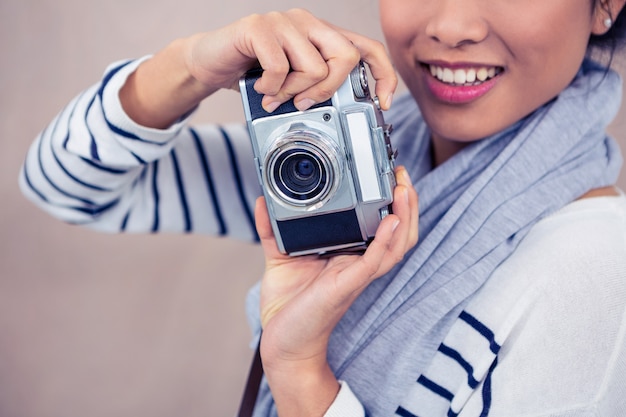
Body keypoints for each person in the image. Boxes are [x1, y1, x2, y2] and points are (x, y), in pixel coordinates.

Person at [19, 0, 626, 416]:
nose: (453, 24)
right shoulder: (350, 156)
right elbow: (64, 185)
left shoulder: (593, 270)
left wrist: (302, 375)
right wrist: (191, 65)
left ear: (605, 3)